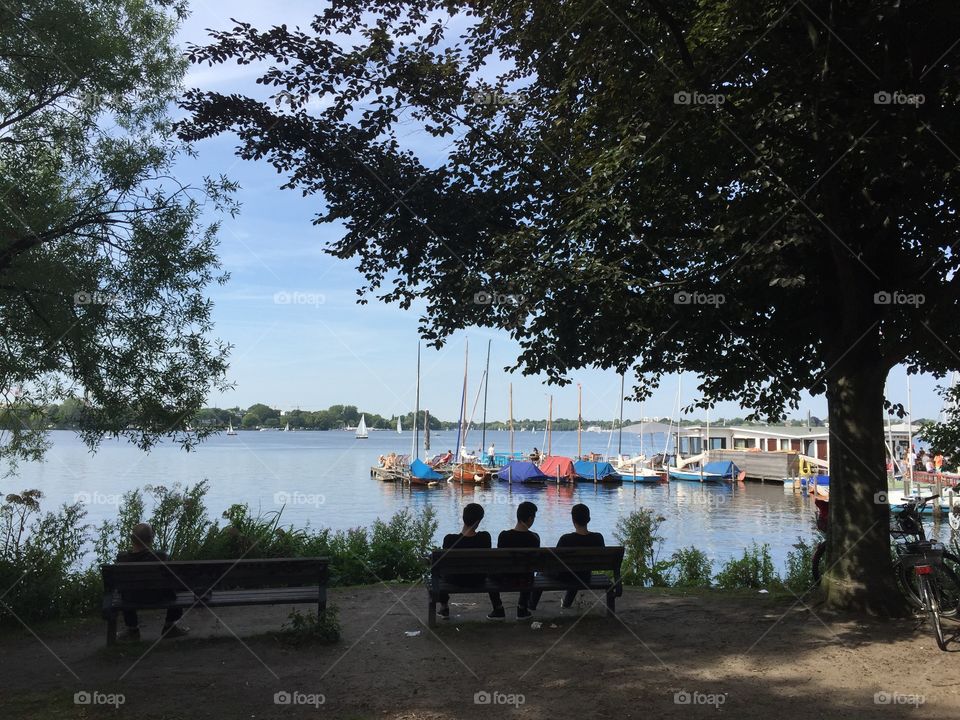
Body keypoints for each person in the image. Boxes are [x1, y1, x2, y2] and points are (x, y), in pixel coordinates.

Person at [115, 523, 189, 641]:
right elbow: (175, 579)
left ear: (132, 539)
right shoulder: (161, 556)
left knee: (125, 591)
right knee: (175, 588)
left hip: (131, 598)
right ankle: (169, 626)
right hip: (159, 597)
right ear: (151, 539)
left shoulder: (122, 558)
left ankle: (132, 630)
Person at [529, 504, 605, 611]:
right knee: (575, 572)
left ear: (573, 520)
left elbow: (555, 562)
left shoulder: (566, 539)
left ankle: (531, 606)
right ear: (589, 519)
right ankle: (566, 604)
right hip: (585, 576)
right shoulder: (598, 538)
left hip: (565, 577)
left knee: (540, 573)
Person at [436, 503, 499, 620]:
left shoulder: (449, 540)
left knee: (438, 570)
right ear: (479, 521)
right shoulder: (485, 538)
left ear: (463, 518)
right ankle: (498, 607)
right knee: (491, 570)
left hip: (455, 580)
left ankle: (444, 607)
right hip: (478, 579)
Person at [489, 501, 539, 620]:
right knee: (528, 571)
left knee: (489, 572)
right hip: (525, 580)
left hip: (504, 579)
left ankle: (498, 608)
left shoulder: (504, 536)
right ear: (530, 518)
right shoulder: (534, 538)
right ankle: (522, 608)